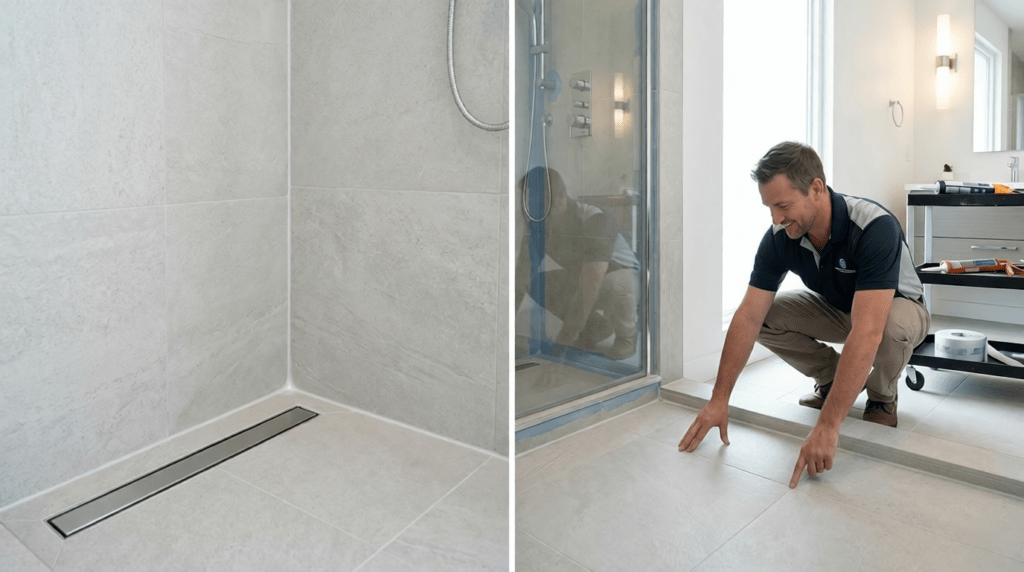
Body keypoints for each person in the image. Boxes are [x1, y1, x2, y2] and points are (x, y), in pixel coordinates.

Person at [678, 141, 929, 488]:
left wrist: (827, 427)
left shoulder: (874, 227)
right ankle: (831, 381)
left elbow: (868, 330)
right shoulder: (780, 236)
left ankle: (882, 398)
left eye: (783, 205)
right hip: (840, 307)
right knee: (765, 317)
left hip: (898, 309)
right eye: (769, 207)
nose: (776, 219)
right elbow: (749, 315)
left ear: (816, 188)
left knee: (887, 328)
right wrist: (719, 399)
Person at [514, 166, 640, 360]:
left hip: (626, 277)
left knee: (616, 284)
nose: (530, 208)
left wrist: (563, 344)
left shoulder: (595, 220)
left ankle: (627, 337)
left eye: (537, 202)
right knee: (536, 283)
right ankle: (594, 329)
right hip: (584, 276)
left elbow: (589, 288)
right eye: (528, 202)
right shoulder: (539, 226)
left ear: (560, 197)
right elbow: (521, 279)